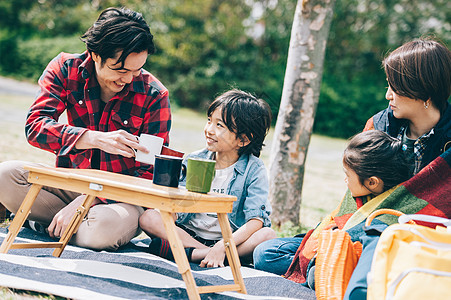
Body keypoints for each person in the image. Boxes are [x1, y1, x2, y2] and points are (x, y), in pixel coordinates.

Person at [253, 37, 451, 277]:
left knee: (384, 254)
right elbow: (356, 193)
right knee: (266, 254)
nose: (388, 95)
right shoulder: (378, 125)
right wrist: (348, 237)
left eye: (395, 88)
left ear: (423, 91)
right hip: (363, 230)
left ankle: (336, 272)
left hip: (421, 241)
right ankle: (343, 272)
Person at [0, 7, 171, 251]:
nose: (129, 79)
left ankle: (44, 222)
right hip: (71, 183)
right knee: (3, 175)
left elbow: (149, 173)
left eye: (137, 70)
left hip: (119, 199)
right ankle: (65, 223)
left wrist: (89, 200)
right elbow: (35, 126)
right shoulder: (65, 68)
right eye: (121, 70)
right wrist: (91, 138)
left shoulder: (155, 95)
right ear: (95, 54)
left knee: (100, 231)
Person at [139, 89, 276, 267]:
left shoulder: (254, 169)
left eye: (219, 125)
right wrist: (171, 209)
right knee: (148, 217)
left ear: (243, 140)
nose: (209, 130)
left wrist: (223, 245)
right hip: (189, 233)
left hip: (228, 239)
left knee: (267, 235)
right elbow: (176, 204)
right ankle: (209, 254)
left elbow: (256, 220)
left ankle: (193, 254)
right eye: (209, 121)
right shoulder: (195, 159)